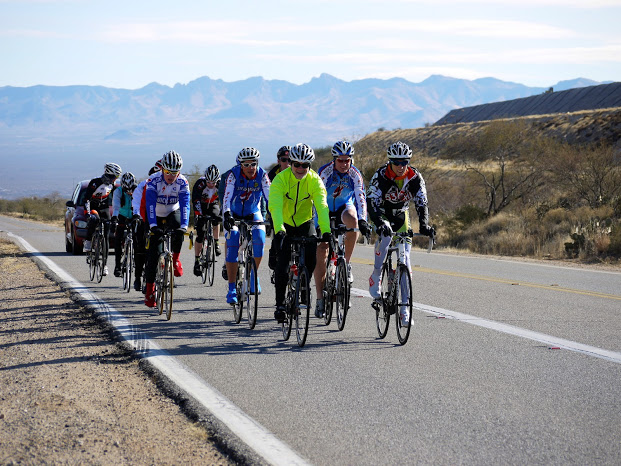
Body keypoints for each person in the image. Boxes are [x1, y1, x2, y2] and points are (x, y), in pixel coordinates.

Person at [367, 141, 435, 325]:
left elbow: (422, 203)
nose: (400, 166)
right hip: (381, 212)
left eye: (404, 162)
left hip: (401, 214)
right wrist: (379, 222)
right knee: (387, 235)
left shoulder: (414, 177)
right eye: (396, 162)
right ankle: (375, 275)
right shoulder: (381, 175)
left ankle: (404, 310)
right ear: (390, 162)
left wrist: (424, 225)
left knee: (405, 260)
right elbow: (371, 201)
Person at [268, 143, 331, 323]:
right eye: (297, 164)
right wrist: (279, 229)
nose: (301, 168)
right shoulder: (280, 179)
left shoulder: (314, 180)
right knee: (283, 262)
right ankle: (280, 305)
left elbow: (321, 206)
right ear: (291, 163)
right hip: (285, 223)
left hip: (305, 222)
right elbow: (275, 206)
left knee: (312, 257)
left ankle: (304, 284)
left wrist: (326, 231)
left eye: (305, 165)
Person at [313, 140, 370, 317]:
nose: (344, 164)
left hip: (344, 207)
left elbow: (361, 198)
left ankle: (347, 263)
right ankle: (320, 299)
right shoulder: (325, 172)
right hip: (324, 209)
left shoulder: (355, 174)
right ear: (334, 160)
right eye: (341, 161)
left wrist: (363, 220)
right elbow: (317, 197)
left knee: (353, 221)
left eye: (347, 160)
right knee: (322, 249)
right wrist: (322, 225)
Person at [221, 147, 271, 304]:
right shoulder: (233, 175)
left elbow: (269, 196)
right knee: (233, 240)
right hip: (233, 214)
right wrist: (227, 214)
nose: (251, 167)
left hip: (253, 212)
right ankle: (231, 288)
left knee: (260, 238)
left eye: (253, 164)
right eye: (246, 164)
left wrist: (273, 216)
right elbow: (227, 197)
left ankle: (253, 276)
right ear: (240, 165)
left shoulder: (262, 175)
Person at [143, 151, 191, 308]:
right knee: (153, 255)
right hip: (155, 214)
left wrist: (184, 226)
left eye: (175, 172)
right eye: (168, 172)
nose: (171, 176)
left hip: (172, 211)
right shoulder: (153, 180)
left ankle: (175, 259)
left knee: (178, 228)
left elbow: (185, 205)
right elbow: (149, 205)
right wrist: (153, 226)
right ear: (162, 169)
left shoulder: (183, 182)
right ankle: (150, 291)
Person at [83, 162, 122, 277]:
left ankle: (104, 265)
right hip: (93, 207)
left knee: (106, 235)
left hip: (104, 208)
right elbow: (86, 199)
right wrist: (88, 213)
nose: (115, 179)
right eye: (114, 177)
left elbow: (117, 199)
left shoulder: (113, 185)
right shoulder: (95, 183)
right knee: (94, 220)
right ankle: (89, 241)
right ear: (109, 174)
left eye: (117, 177)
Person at [131, 161, 162, 291]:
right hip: (145, 218)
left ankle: (165, 274)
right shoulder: (143, 185)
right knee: (141, 249)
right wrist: (138, 215)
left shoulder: (169, 184)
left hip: (160, 218)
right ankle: (138, 277)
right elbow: (137, 202)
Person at [192, 164, 222, 276]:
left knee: (216, 217)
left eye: (213, 183)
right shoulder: (200, 184)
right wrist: (199, 214)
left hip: (213, 203)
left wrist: (223, 214)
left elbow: (224, 199)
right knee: (200, 233)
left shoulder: (220, 184)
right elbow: (195, 200)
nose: (211, 185)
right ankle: (197, 260)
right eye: (209, 182)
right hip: (201, 205)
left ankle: (216, 242)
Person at [111, 172, 137, 277]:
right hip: (121, 215)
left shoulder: (137, 190)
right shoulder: (118, 191)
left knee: (138, 239)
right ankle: (117, 266)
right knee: (118, 239)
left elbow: (139, 204)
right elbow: (116, 206)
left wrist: (137, 215)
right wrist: (114, 218)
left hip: (133, 215)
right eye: (127, 190)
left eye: (130, 189)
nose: (129, 192)